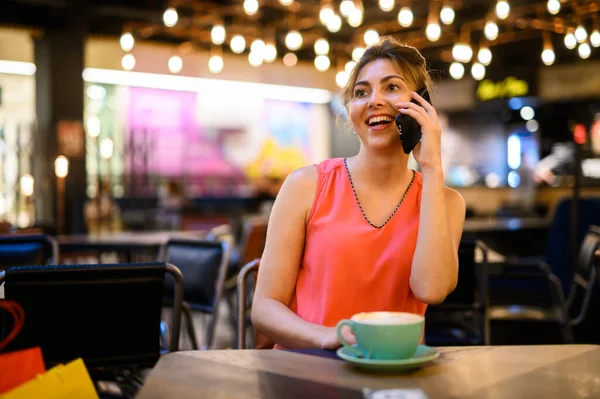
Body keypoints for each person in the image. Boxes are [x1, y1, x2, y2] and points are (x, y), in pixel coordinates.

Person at [251, 36, 466, 350]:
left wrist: (432, 168)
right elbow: (265, 307)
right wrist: (328, 337)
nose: (373, 100)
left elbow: (431, 290)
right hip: (308, 371)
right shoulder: (306, 185)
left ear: (420, 105)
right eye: (361, 92)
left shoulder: (445, 201)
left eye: (391, 87)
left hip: (393, 374)